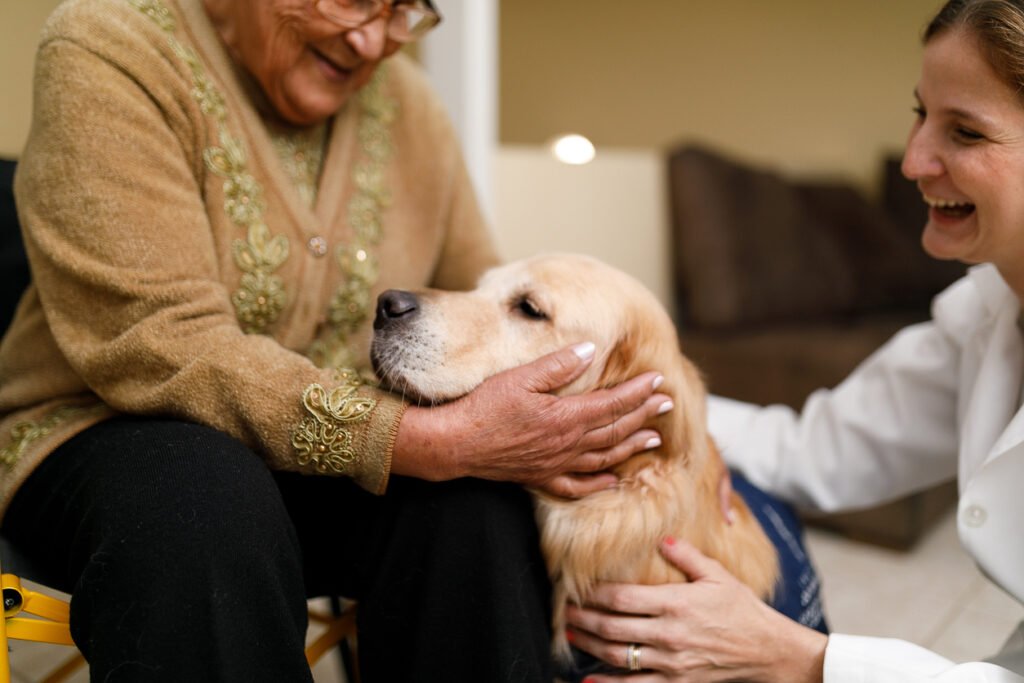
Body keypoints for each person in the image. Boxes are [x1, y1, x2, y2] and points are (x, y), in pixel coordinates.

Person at [0, 0, 673, 681]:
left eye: (406, 9)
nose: (372, 39)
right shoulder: (109, 46)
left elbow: (477, 305)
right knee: (203, 497)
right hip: (101, 432)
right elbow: (157, 340)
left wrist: (674, 454)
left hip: (327, 466)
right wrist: (432, 442)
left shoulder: (411, 107)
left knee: (474, 506)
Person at [563, 0, 1024, 681]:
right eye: (921, 112)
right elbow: (813, 448)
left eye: (965, 132)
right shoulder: (987, 314)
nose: (913, 159)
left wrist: (799, 657)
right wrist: (631, 403)